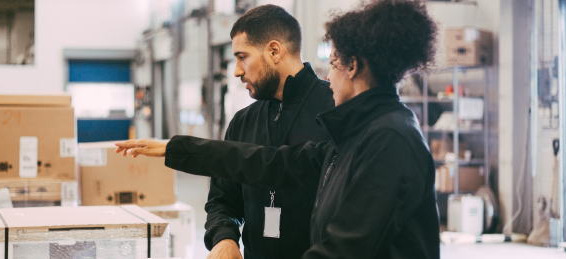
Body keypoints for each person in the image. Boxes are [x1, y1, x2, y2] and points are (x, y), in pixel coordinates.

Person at [116, 0, 440, 258]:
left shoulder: (388, 140)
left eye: (334, 63)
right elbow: (270, 163)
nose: (328, 76)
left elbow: (344, 249)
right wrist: (178, 149)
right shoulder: (357, 136)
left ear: (352, 66)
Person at [201, 4, 334, 259]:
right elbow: (222, 199)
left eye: (242, 57)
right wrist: (224, 237)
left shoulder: (334, 112)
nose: (237, 71)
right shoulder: (243, 122)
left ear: (274, 51)